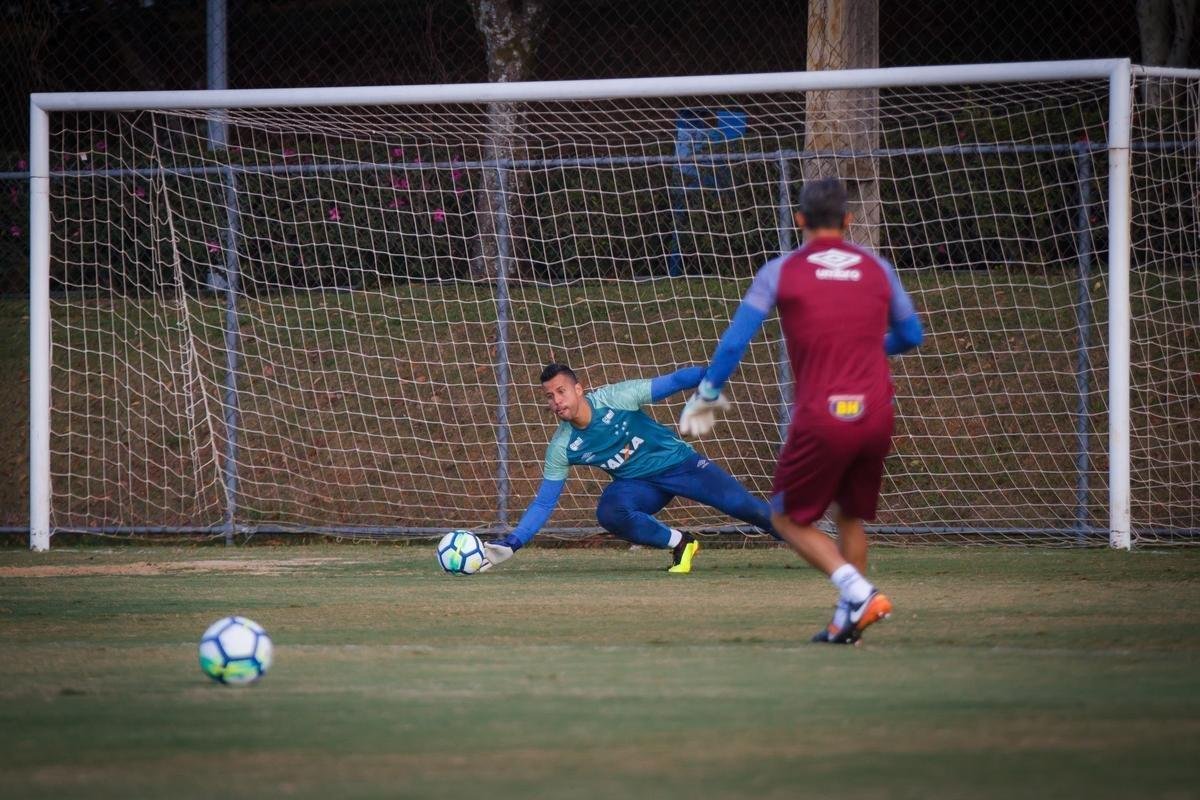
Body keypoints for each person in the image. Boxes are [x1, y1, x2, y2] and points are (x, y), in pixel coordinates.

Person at [679, 177, 924, 644]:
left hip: (823, 414)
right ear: (849, 220)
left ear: (799, 220)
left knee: (786, 517)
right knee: (849, 516)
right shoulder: (877, 267)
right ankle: (847, 620)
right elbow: (912, 336)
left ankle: (859, 591)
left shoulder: (780, 270)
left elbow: (734, 343)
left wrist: (708, 392)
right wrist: (868, 347)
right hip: (875, 412)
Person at [482, 362, 777, 573]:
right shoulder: (563, 446)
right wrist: (513, 543)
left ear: (579, 390)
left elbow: (674, 382)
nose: (557, 401)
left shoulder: (617, 398)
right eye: (550, 396)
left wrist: (712, 374)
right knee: (610, 511)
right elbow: (545, 501)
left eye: (561, 391)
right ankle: (681, 543)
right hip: (639, 486)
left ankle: (805, 539)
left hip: (681, 465)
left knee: (749, 509)